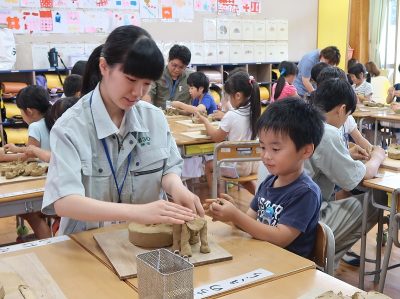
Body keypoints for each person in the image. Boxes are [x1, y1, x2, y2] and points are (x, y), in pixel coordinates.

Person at [41, 25, 202, 235]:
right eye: (131, 80)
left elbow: (168, 168)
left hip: (145, 240)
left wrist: (176, 187)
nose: (137, 92)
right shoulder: (71, 127)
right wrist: (137, 212)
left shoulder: (154, 118)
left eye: (146, 84)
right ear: (104, 67)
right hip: (86, 243)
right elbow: (64, 201)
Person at [204, 98, 324, 258]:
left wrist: (236, 216)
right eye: (262, 147)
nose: (266, 156)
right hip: (262, 256)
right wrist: (233, 213)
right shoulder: (269, 181)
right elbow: (250, 223)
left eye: (275, 149)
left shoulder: (306, 193)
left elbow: (279, 238)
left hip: (289, 268)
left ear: (306, 151)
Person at [306, 78, 386, 266]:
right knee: (379, 199)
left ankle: (325, 260)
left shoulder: (301, 120)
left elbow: (315, 158)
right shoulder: (327, 132)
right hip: (308, 217)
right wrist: (378, 155)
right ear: (342, 109)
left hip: (277, 210)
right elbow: (362, 176)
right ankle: (322, 258)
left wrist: (346, 154)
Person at [195, 70, 261, 195]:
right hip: (253, 164)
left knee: (209, 166)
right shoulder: (255, 112)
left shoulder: (232, 115)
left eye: (230, 96)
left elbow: (216, 137)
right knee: (243, 178)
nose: (229, 99)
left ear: (237, 96)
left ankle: (219, 199)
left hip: (238, 167)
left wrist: (205, 121)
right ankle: (260, 199)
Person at [2, 85, 52, 239]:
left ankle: (47, 242)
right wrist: (16, 149)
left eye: (21, 111)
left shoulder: (35, 126)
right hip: (51, 173)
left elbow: (28, 156)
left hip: (41, 178)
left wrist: (4, 157)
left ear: (29, 111)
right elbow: (30, 150)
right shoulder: (52, 119)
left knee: (29, 213)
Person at [143, 44, 192, 109]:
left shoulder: (192, 77)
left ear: (186, 66)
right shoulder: (156, 73)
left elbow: (204, 94)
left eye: (181, 67)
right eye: (174, 65)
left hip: (183, 116)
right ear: (168, 60)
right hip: (160, 114)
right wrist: (146, 108)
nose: (177, 70)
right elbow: (147, 94)